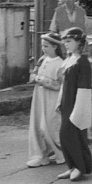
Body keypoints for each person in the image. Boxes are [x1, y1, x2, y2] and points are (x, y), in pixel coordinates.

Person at [56, 27, 92, 182]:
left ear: (79, 43)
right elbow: (64, 84)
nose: (66, 44)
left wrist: (79, 110)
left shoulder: (83, 62)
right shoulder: (69, 60)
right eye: (65, 41)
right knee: (64, 136)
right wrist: (59, 102)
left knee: (72, 135)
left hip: (76, 102)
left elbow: (84, 88)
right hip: (66, 101)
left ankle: (80, 167)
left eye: (69, 41)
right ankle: (71, 166)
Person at [26, 32, 65, 167]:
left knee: (49, 126)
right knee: (37, 125)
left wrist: (43, 81)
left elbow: (61, 85)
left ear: (55, 47)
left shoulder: (61, 64)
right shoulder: (43, 60)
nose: (44, 49)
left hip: (52, 99)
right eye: (43, 46)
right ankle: (41, 155)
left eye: (47, 46)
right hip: (39, 97)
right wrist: (34, 77)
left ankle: (60, 153)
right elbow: (35, 74)